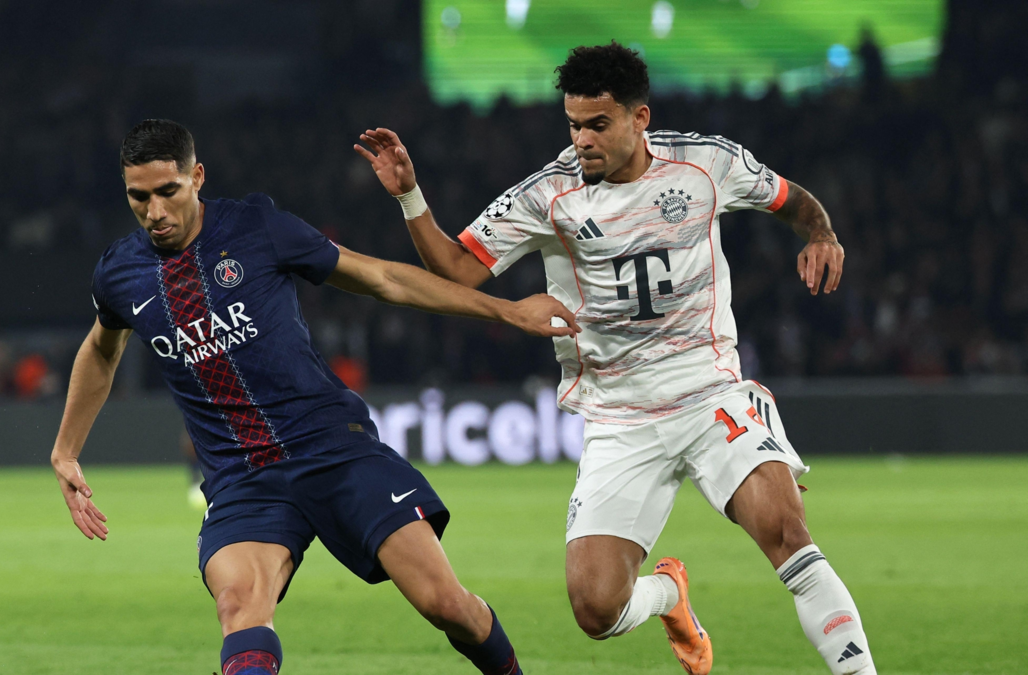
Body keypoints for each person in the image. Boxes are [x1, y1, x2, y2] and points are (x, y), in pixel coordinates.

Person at [355, 43, 874, 675]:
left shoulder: (707, 165)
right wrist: (411, 197)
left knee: (787, 534)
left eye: (598, 125)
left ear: (639, 118)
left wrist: (821, 233)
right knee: (595, 608)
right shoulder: (549, 195)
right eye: (574, 125)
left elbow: (792, 201)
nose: (583, 140)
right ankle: (669, 596)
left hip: (709, 389)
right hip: (617, 413)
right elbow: (456, 267)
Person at [51, 119, 579, 675]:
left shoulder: (257, 228)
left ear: (197, 177)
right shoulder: (119, 274)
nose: (154, 211)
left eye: (167, 192)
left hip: (332, 448)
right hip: (242, 478)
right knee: (238, 606)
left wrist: (508, 309)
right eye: (139, 197)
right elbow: (101, 350)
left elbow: (382, 278)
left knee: (446, 605)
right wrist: (66, 450)